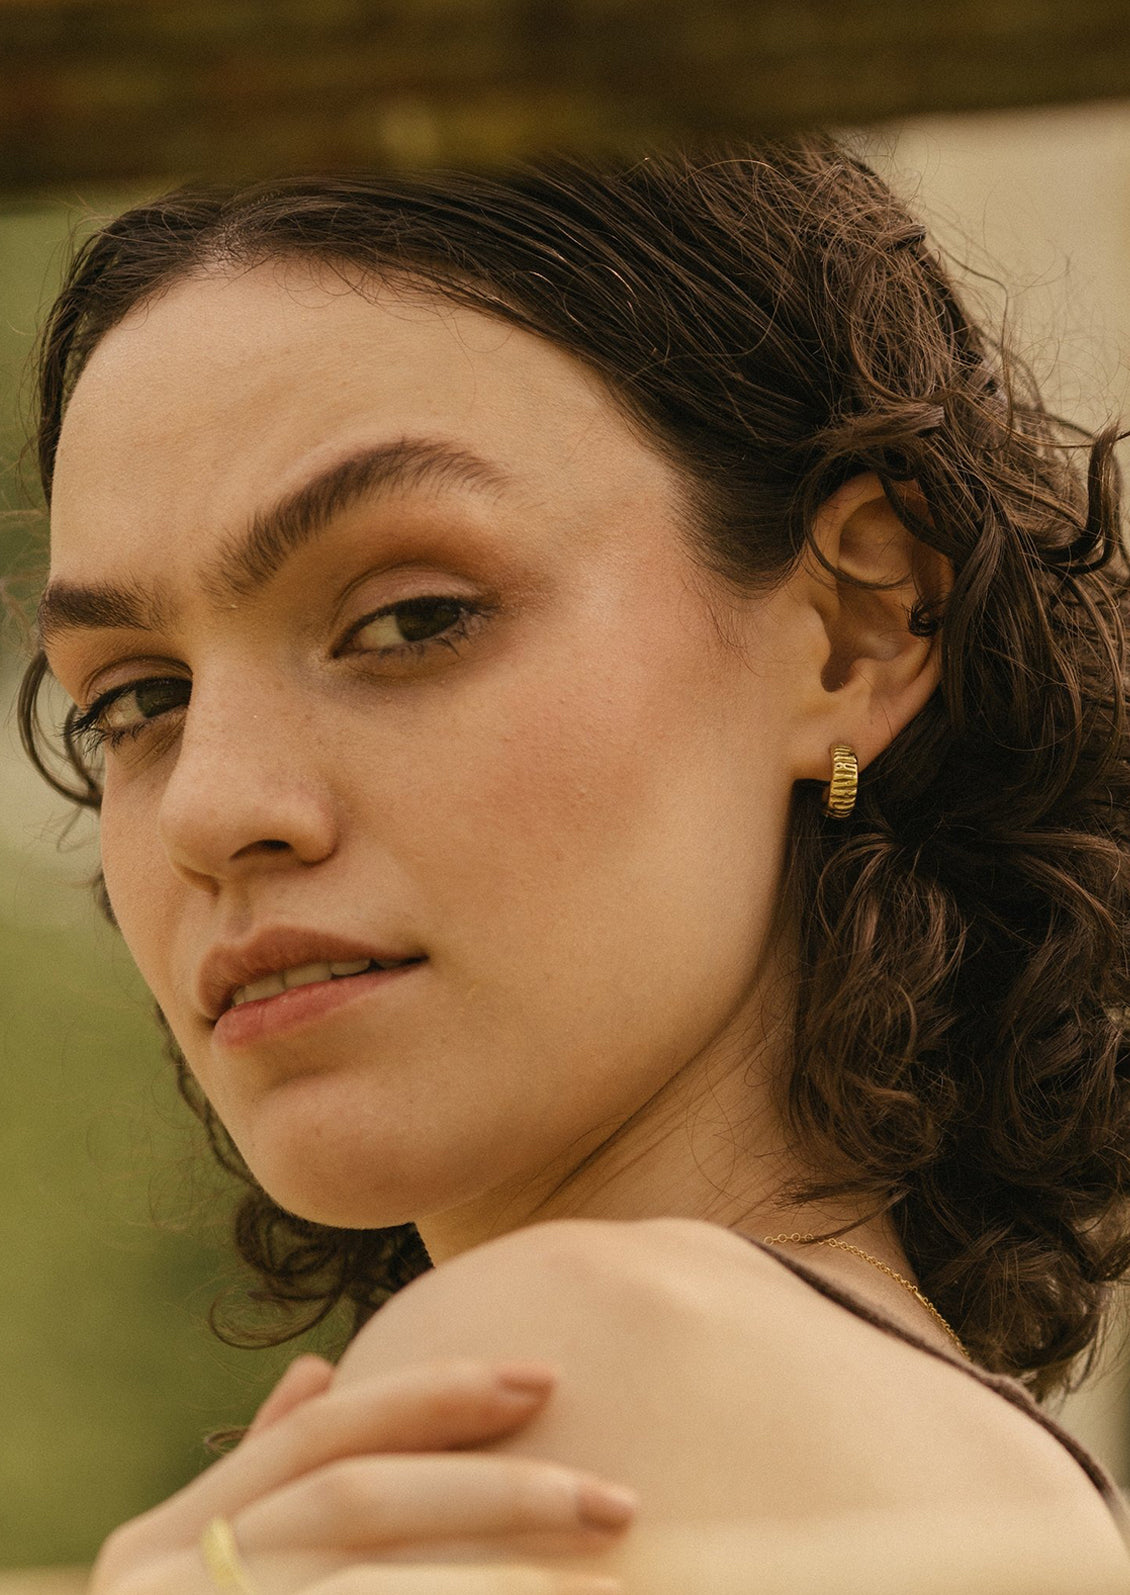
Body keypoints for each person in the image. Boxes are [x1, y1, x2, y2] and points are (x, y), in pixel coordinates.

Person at [17, 134, 1130, 1593]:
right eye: (138, 702)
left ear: (855, 625)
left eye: (412, 619)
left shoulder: (564, 1369)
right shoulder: (983, 1470)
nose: (209, 808)